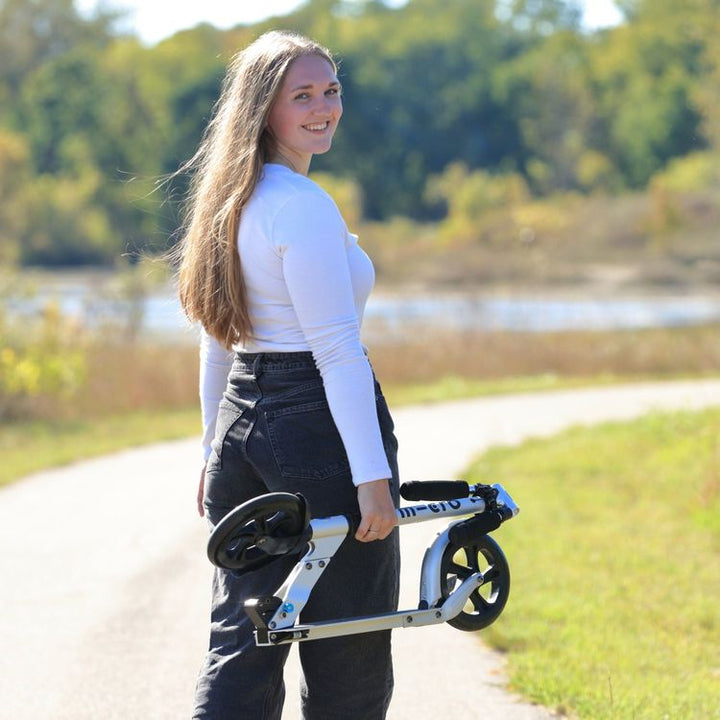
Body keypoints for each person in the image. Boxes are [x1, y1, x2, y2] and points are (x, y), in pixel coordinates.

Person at [175, 30, 401, 720]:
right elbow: (336, 351)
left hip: (245, 420)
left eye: (330, 90)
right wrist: (371, 479)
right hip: (314, 429)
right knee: (348, 643)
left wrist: (215, 449)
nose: (324, 108)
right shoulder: (299, 205)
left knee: (242, 640)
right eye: (301, 95)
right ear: (263, 108)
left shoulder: (232, 201)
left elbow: (221, 339)